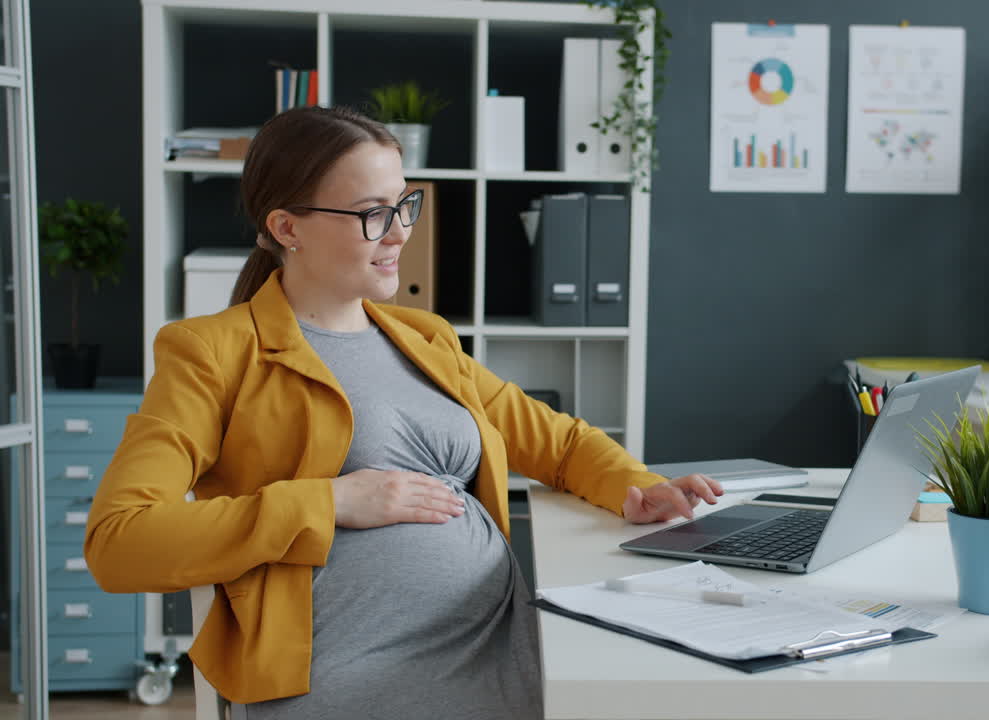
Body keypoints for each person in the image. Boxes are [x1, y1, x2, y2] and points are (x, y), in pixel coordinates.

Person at [84, 105, 722, 719]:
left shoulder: (424, 338)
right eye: (371, 214)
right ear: (287, 228)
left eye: (403, 204)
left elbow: (554, 442)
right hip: (353, 671)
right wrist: (330, 502)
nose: (400, 233)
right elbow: (120, 543)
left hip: (502, 644)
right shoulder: (213, 353)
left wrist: (637, 487)